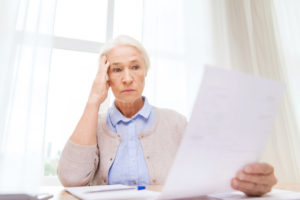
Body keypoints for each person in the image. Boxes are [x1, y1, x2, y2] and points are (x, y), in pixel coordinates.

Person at [57, 35, 277, 197]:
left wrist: (249, 178)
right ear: (105, 77)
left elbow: (213, 174)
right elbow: (72, 179)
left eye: (135, 67)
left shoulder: (176, 122)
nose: (127, 78)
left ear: (145, 72)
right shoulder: (93, 124)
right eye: (116, 69)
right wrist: (93, 100)